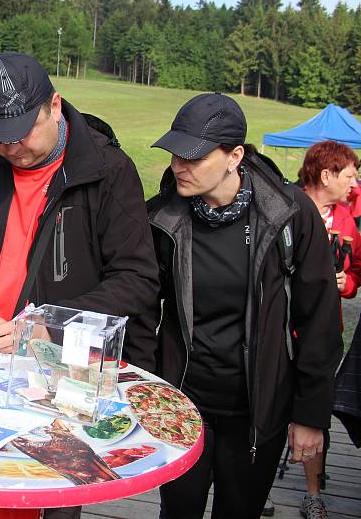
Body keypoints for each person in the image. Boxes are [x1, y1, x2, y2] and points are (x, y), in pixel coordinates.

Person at [0, 51, 159, 519]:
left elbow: (137, 279)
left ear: (54, 106)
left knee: (52, 493)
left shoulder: (108, 171)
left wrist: (48, 325)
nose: (11, 149)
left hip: (68, 365)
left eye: (20, 133)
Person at [132, 92, 344, 519]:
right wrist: (140, 390)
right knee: (178, 512)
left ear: (235, 156)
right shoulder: (160, 218)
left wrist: (310, 414)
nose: (179, 166)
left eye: (193, 157)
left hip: (257, 413)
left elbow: (320, 317)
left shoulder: (290, 214)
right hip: (181, 407)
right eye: (175, 154)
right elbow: (138, 311)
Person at [295, 140, 361, 518]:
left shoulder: (347, 219)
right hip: (281, 332)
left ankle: (312, 492)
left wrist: (345, 284)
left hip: (322, 336)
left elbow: (355, 274)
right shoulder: (287, 206)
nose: (354, 184)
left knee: (314, 415)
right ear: (327, 175)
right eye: (350, 175)